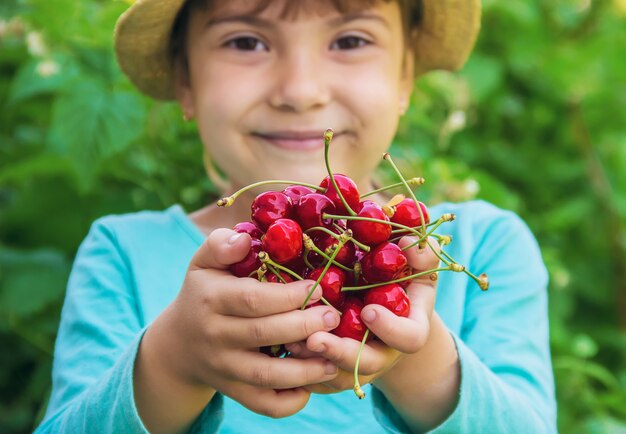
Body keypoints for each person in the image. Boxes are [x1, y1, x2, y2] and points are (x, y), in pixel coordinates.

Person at [35, 0, 557, 433]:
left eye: (350, 40)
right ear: (185, 81)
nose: (300, 92)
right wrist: (173, 364)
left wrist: (414, 352)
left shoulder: (484, 245)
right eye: (246, 42)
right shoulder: (122, 254)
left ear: (405, 79)